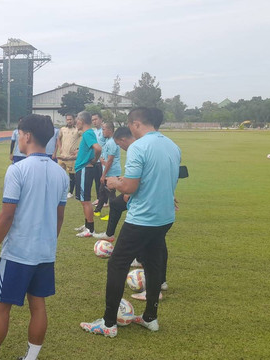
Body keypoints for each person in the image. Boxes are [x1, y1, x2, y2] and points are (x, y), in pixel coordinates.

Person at [80, 107, 181, 337]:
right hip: (164, 218)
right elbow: (161, 179)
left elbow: (130, 187)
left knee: (117, 264)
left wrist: (116, 183)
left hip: (142, 219)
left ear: (136, 124)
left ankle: (108, 324)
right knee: (154, 265)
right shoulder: (173, 146)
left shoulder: (139, 146)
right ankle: (150, 318)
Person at [0, 114, 68, 360]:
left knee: (0, 307)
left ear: (27, 135)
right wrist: (50, 243)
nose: (18, 137)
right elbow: (59, 217)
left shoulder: (18, 169)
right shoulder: (61, 174)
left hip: (18, 252)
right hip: (44, 253)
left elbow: (7, 216)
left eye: (19, 133)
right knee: (38, 305)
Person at [74, 111, 102, 238]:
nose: (76, 123)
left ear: (81, 121)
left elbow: (98, 148)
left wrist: (95, 160)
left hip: (85, 169)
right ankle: (87, 225)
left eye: (76, 120)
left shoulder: (88, 134)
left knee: (86, 200)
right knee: (83, 200)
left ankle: (90, 229)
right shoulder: (87, 134)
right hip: (82, 168)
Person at [94, 121, 120, 218]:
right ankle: (97, 210)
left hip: (111, 172)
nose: (102, 132)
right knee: (102, 192)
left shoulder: (112, 142)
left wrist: (103, 175)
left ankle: (112, 214)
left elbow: (110, 161)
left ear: (109, 130)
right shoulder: (108, 141)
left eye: (104, 129)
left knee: (111, 194)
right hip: (107, 171)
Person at [57, 114, 81, 199]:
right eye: (67, 119)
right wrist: (60, 148)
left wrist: (78, 149)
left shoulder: (77, 130)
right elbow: (58, 139)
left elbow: (84, 139)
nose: (69, 121)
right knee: (60, 175)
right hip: (62, 156)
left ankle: (70, 192)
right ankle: (61, 190)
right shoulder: (63, 129)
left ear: (74, 120)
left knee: (72, 176)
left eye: (70, 119)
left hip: (71, 158)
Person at [91, 113, 106, 205]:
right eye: (92, 120)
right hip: (95, 159)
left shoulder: (104, 131)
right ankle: (99, 198)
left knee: (103, 181)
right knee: (97, 180)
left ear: (101, 119)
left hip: (103, 160)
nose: (94, 121)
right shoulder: (93, 132)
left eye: (96, 119)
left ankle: (104, 200)